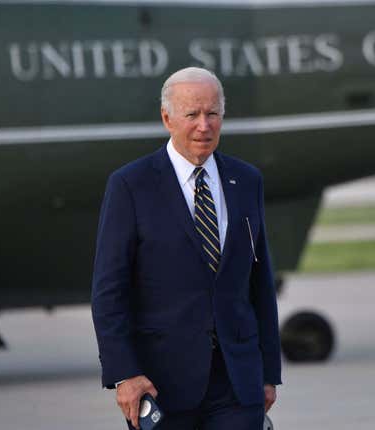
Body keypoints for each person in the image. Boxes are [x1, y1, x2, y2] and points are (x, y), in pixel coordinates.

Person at [91, 67, 282, 430]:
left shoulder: (247, 181)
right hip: (160, 384)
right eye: (192, 114)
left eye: (212, 114)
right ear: (167, 118)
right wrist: (124, 373)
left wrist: (269, 371)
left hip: (237, 382)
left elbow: (259, 282)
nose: (204, 126)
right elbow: (108, 290)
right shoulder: (130, 186)